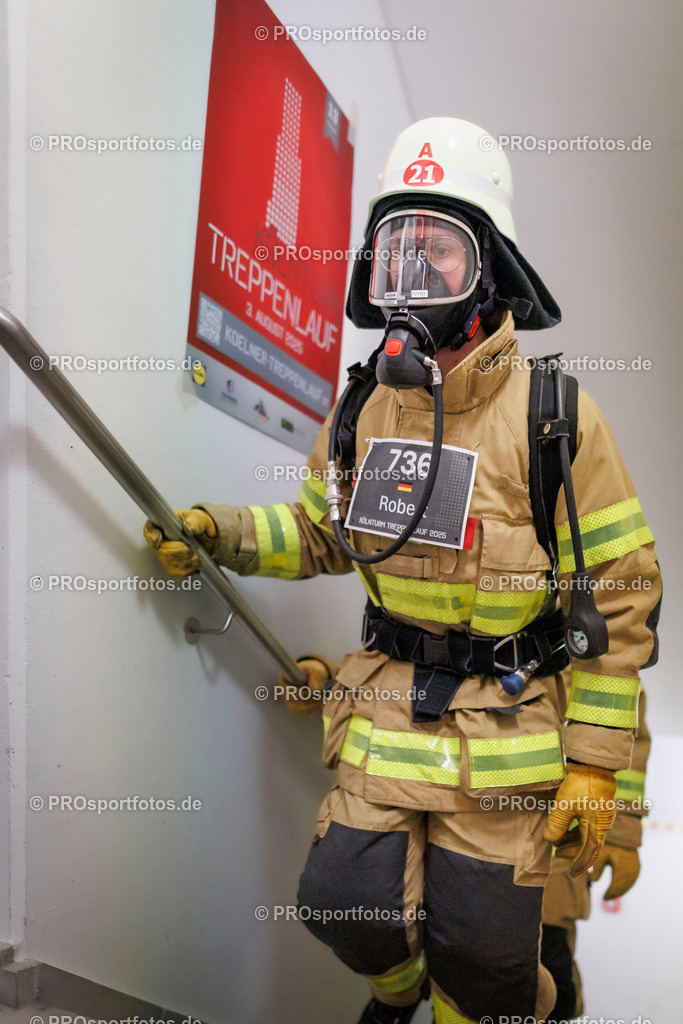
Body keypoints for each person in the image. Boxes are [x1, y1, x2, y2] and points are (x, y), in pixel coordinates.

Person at [144, 118, 661, 1024]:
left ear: (489, 269)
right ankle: (398, 993)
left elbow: (619, 601)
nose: (412, 284)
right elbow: (318, 534)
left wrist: (602, 782)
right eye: (396, 257)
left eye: (440, 256)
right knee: (345, 905)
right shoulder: (361, 410)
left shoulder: (555, 420)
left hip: (508, 735)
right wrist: (218, 531)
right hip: (386, 714)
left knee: (488, 959)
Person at [541, 689, 651, 1021]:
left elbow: (627, 760)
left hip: (561, 853)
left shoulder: (604, 669)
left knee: (551, 973)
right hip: (472, 844)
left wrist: (623, 837)